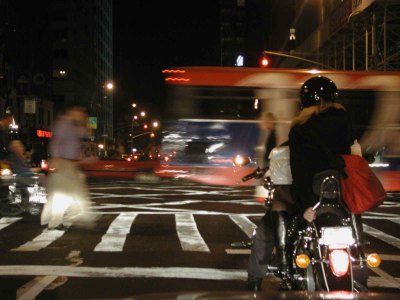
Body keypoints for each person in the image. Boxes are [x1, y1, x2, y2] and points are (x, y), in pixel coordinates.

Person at [288, 75, 354, 223]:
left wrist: (306, 206)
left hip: (313, 190)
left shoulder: (300, 129)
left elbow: (299, 169)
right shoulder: (344, 121)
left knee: (284, 205)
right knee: (353, 220)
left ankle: (285, 245)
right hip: (341, 187)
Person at [41, 106, 97, 230]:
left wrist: (85, 123)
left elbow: (87, 133)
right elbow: (56, 141)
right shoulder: (64, 124)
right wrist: (56, 158)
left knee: (69, 193)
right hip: (62, 163)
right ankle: (56, 221)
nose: (83, 117)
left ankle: (53, 219)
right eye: (81, 114)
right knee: (63, 194)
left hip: (70, 164)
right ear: (73, 112)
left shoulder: (74, 125)